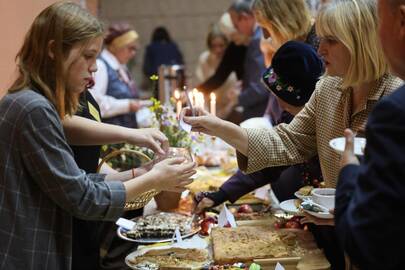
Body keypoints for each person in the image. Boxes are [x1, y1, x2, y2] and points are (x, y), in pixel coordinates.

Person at [0, 3, 195, 269]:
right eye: (88, 56)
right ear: (53, 51)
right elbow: (82, 198)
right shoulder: (33, 109)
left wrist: (142, 173)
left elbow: (75, 180)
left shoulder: (30, 102)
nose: (94, 69)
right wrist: (154, 179)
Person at [195, 41, 324, 210]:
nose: (278, 103)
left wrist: (218, 127)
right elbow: (269, 161)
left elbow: (275, 154)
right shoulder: (289, 114)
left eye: (281, 98)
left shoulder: (322, 117)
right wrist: (222, 193)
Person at [335, 0, 405, 269]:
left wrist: (349, 171)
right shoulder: (329, 88)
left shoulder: (394, 113)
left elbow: (366, 243)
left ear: (400, 20)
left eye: (379, 21)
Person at [199, 0, 272, 122]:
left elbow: (261, 85)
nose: (237, 36)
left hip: (258, 110)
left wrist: (238, 98)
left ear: (245, 18)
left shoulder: (257, 39)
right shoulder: (256, 38)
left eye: (236, 27)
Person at [90, 22, 145, 128]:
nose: (133, 53)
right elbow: (95, 103)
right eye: (130, 48)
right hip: (110, 137)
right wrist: (127, 105)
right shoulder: (101, 66)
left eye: (135, 49)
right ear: (117, 47)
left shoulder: (121, 67)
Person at [195, 24, 239, 120]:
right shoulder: (204, 59)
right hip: (211, 108)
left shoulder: (233, 59)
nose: (218, 50)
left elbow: (237, 87)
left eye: (221, 45)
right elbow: (204, 87)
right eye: (214, 46)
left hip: (232, 107)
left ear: (227, 44)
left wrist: (228, 108)